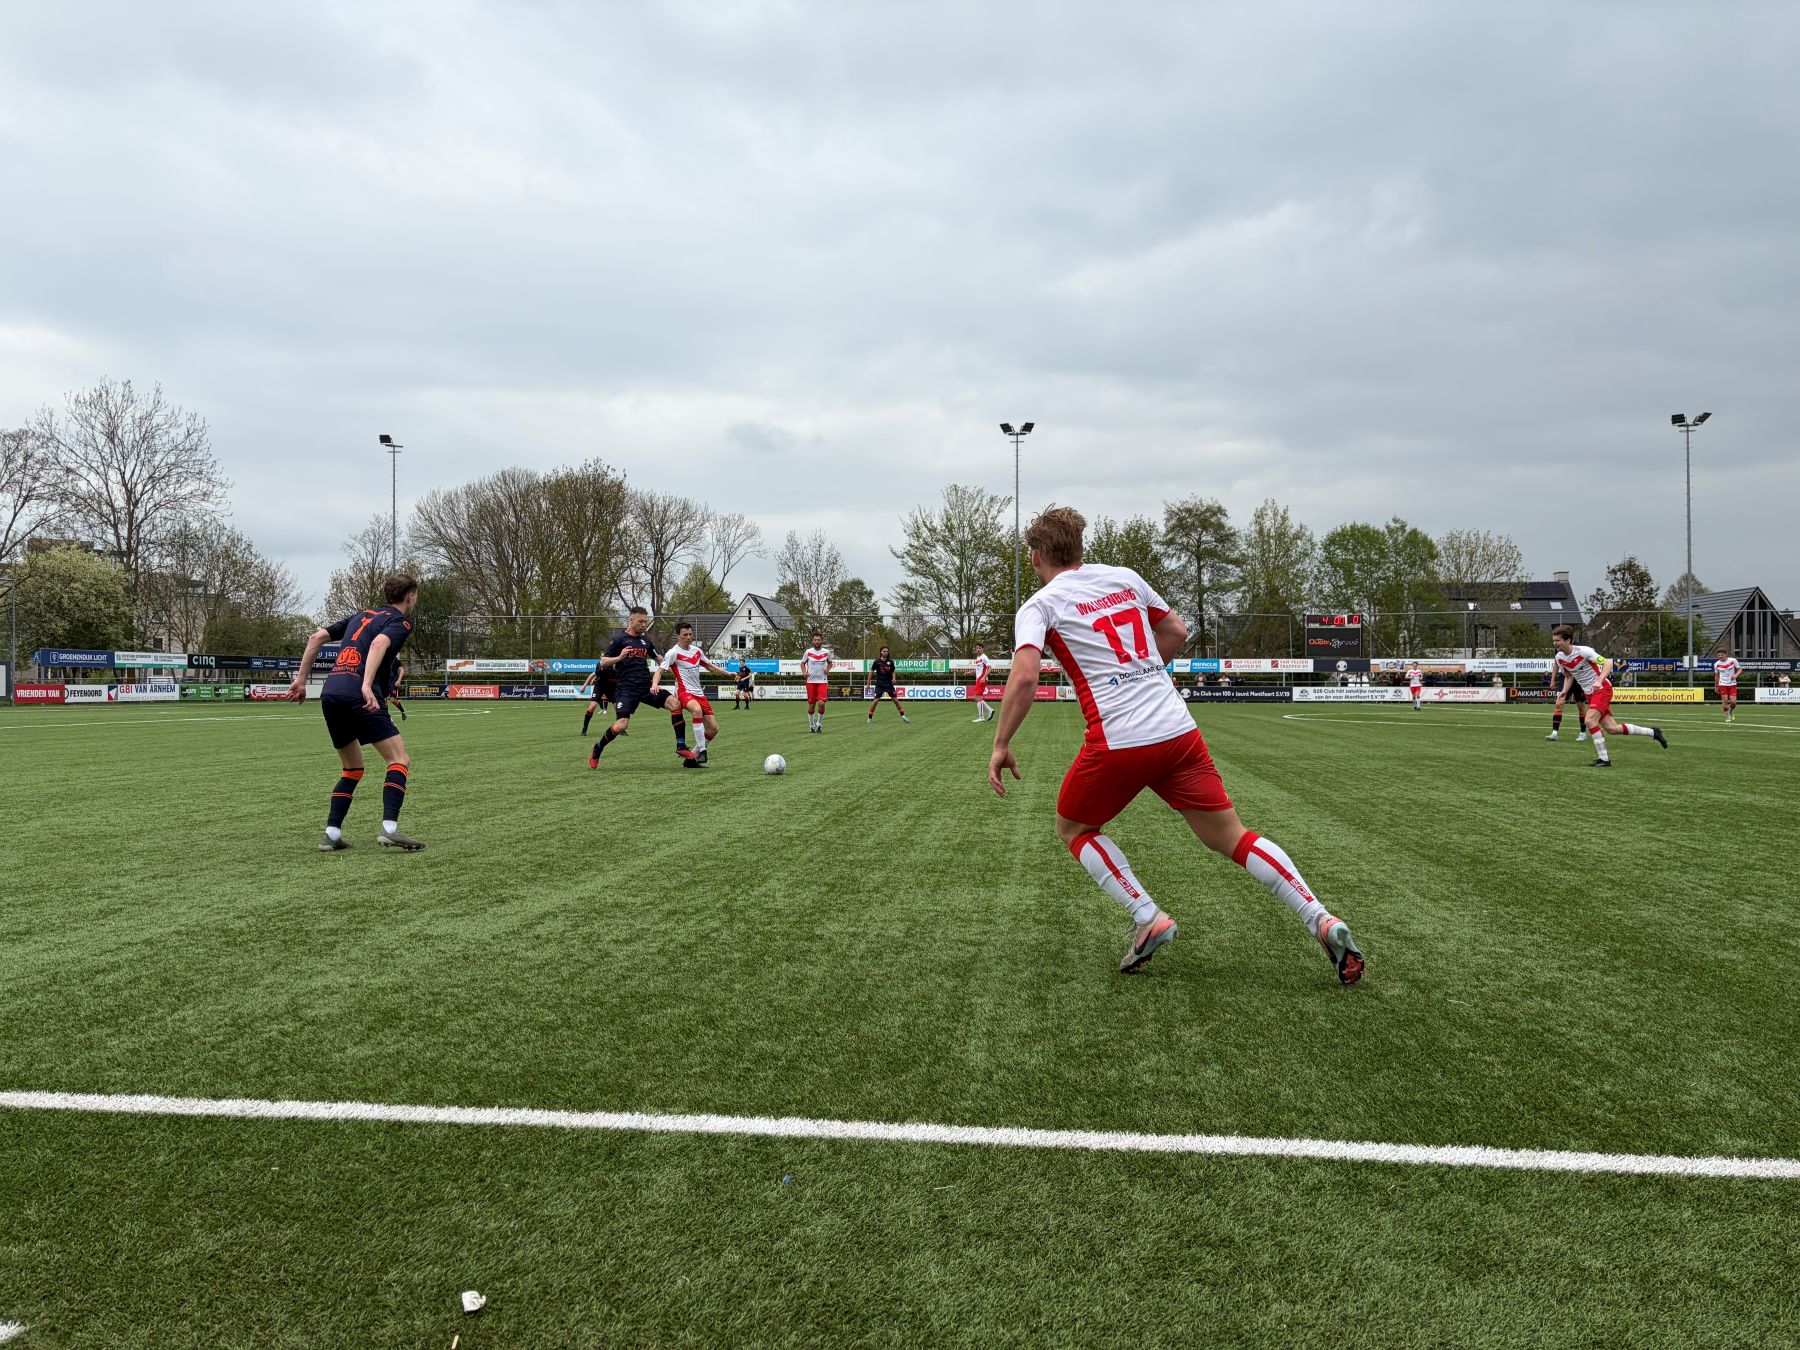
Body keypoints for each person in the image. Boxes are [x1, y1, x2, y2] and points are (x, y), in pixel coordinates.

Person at [987, 506, 1365, 983]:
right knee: (1233, 837)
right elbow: (1176, 631)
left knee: (1074, 826)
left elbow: (1023, 676)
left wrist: (1001, 743)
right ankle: (1320, 918)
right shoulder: (1124, 577)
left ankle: (1148, 918)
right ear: (1080, 548)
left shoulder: (1040, 604)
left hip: (1120, 738)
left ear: (1037, 556)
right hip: (1177, 730)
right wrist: (1142, 675)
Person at [288, 573, 425, 852]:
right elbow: (377, 644)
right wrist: (365, 685)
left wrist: (301, 680)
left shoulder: (361, 616)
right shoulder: (400, 621)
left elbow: (316, 638)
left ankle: (332, 834)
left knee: (352, 768)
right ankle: (390, 829)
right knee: (399, 759)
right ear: (410, 596)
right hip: (359, 694)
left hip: (332, 694)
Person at [1551, 625, 1668, 766]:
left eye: (1557, 640)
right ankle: (1653, 732)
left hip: (1602, 689)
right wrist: (1564, 691)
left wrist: (1599, 680)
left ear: (1568, 640)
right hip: (1590, 694)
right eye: (1554, 640)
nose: (1555, 643)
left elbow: (1608, 663)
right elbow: (1569, 676)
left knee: (1589, 720)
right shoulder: (1559, 657)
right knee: (1612, 728)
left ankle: (1604, 759)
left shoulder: (1584, 651)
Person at [589, 607, 688, 769]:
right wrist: (620, 657)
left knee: (675, 704)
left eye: (645, 621)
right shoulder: (619, 640)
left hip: (646, 687)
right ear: (631, 620)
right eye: (640, 621)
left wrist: (678, 672)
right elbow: (602, 662)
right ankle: (597, 749)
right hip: (626, 689)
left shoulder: (645, 641)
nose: (643, 624)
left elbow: (659, 659)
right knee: (621, 725)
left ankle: (681, 746)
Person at [654, 620, 733, 766]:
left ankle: (692, 759)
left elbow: (709, 666)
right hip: (684, 692)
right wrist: (654, 684)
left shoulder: (697, 651)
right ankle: (702, 751)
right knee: (696, 710)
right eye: (685, 634)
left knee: (713, 729)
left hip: (699, 693)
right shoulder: (673, 653)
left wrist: (728, 674)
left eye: (690, 634)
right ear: (678, 636)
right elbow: (660, 670)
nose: (688, 637)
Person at [866, 645, 910, 724]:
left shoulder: (891, 662)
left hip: (889, 684)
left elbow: (893, 671)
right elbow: (871, 672)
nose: (885, 652)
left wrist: (894, 678)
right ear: (881, 652)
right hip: (880, 684)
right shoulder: (877, 662)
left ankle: (903, 716)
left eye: (886, 651)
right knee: (875, 701)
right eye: (884, 651)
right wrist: (868, 683)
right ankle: (869, 718)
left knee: (895, 700)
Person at [1546, 666, 1590, 743]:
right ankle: (1554, 733)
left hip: (1579, 678)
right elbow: (1556, 665)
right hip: (1565, 678)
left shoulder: (1582, 654)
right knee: (1559, 703)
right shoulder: (1559, 654)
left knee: (1581, 707)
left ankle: (1583, 733)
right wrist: (1552, 680)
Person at [802, 632, 833, 733]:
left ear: (821, 641)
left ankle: (819, 724)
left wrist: (828, 669)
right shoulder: (808, 652)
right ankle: (811, 726)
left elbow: (830, 663)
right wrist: (804, 672)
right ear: (812, 641)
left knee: (821, 703)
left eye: (818, 640)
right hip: (810, 681)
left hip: (822, 681)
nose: (817, 641)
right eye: (815, 640)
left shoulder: (826, 652)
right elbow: (802, 663)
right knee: (812, 705)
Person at [578, 657, 615, 737]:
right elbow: (592, 674)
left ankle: (621, 729)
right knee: (592, 706)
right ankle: (584, 728)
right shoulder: (604, 668)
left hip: (610, 688)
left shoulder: (618, 669)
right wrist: (584, 686)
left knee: (618, 708)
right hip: (600, 686)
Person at [1713, 647, 1740, 723]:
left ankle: (1731, 711)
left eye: (1721, 655)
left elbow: (1740, 669)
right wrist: (1716, 686)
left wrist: (1736, 675)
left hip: (1732, 684)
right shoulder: (1716, 664)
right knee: (1725, 700)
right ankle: (1727, 715)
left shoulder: (1733, 660)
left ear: (1725, 655)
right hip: (1722, 684)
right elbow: (1716, 676)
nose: (1720, 656)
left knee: (1733, 702)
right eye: (1718, 655)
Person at [970, 642, 995, 723]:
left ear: (982, 649)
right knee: (977, 697)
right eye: (977, 648)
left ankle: (981, 717)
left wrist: (984, 677)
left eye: (979, 648)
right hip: (979, 679)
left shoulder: (984, 657)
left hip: (982, 679)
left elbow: (990, 668)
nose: (978, 649)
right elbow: (977, 669)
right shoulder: (978, 658)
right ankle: (990, 710)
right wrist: (969, 672)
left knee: (977, 697)